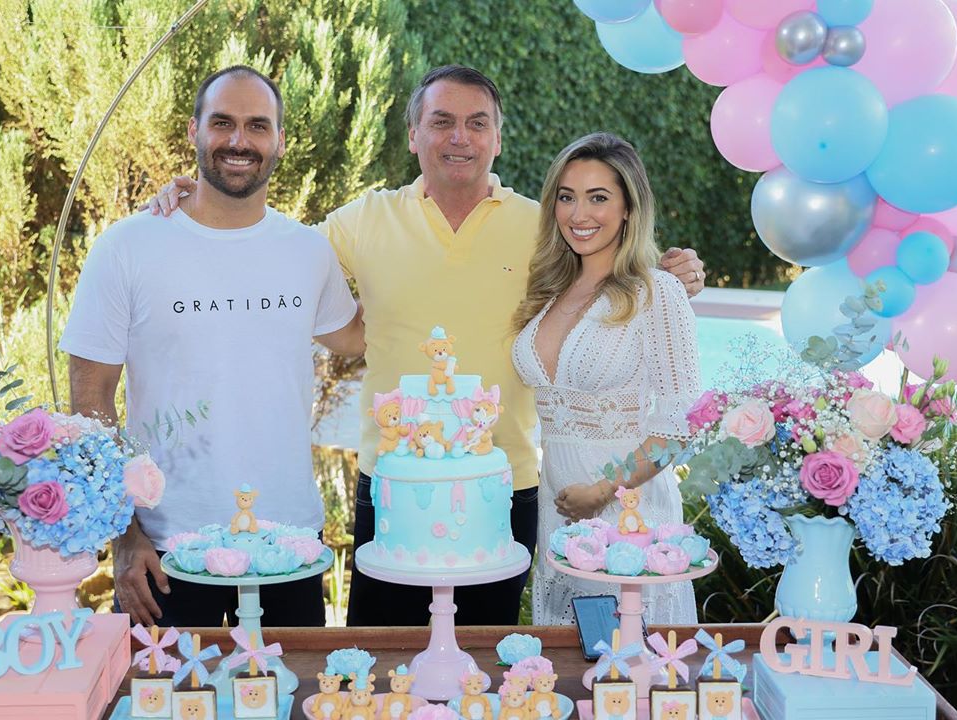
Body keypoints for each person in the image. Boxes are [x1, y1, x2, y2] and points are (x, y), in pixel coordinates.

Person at [147, 65, 706, 626]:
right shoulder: (364, 220)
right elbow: (273, 256)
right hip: (392, 487)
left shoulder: (544, 227)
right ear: (413, 135)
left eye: (477, 123)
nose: (459, 137)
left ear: (498, 138)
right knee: (381, 657)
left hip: (506, 488)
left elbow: (610, 269)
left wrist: (671, 270)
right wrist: (207, 204)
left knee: (488, 663)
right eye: (441, 122)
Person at [60, 65, 365, 628]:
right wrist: (124, 533)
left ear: (280, 141)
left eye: (257, 126)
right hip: (163, 547)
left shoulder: (307, 251)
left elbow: (358, 336)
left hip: (288, 544)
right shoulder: (127, 247)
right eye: (222, 123)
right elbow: (90, 400)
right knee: (159, 688)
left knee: (287, 685)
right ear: (194, 131)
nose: (239, 140)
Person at [511, 132, 700, 625]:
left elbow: (679, 428)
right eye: (567, 197)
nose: (579, 214)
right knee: (571, 658)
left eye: (598, 198)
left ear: (628, 209)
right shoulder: (550, 291)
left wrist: (601, 491)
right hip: (560, 515)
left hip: (628, 517)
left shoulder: (657, 292)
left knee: (637, 660)